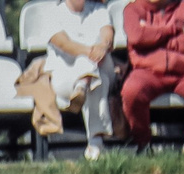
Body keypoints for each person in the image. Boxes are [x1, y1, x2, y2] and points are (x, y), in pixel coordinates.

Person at [120, 0, 184, 148]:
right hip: (147, 72)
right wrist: (173, 29)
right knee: (131, 92)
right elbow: (137, 37)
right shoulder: (133, 9)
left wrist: (159, 40)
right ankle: (143, 143)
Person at [20, 0, 120, 154]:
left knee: (98, 71)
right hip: (65, 76)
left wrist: (103, 46)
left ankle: (83, 85)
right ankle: (96, 142)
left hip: (100, 69)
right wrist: (90, 51)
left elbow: (108, 35)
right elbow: (65, 44)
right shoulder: (52, 15)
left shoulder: (99, 10)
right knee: (97, 79)